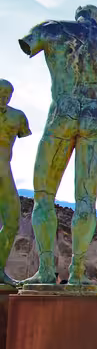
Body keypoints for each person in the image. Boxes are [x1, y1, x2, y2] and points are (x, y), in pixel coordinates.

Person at [17, 4, 97, 286]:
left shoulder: (53, 28)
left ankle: (45, 269)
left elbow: (28, 44)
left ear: (79, 15)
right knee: (86, 202)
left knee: (43, 196)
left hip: (62, 113)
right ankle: (77, 271)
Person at [0, 80, 30, 288]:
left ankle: (0, 269)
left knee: (12, 221)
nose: (4, 96)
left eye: (8, 93)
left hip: (4, 170)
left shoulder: (17, 116)